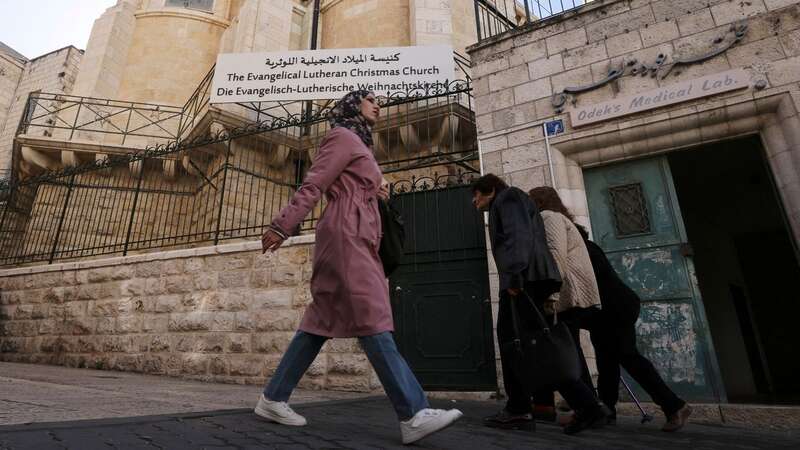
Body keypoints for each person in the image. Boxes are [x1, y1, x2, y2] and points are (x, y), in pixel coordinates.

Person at [257, 90, 462, 445]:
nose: (378, 105)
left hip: (356, 234)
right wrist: (282, 224)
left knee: (320, 321)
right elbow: (315, 183)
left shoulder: (360, 144)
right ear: (353, 106)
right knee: (372, 315)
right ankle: (413, 412)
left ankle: (273, 398)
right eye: (370, 100)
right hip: (346, 237)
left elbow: (351, 185)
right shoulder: (342, 137)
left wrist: (375, 193)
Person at [530, 187, 692, 432]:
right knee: (608, 360)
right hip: (606, 313)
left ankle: (673, 405)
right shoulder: (584, 244)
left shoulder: (577, 245)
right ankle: (607, 409)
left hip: (614, 309)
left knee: (626, 356)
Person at [472, 174, 607, 435]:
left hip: (523, 282)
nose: (473, 200)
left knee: (515, 343)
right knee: (535, 347)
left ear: (488, 189)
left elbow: (517, 237)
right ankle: (586, 406)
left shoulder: (508, 198)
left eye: (476, 194)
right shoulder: (513, 201)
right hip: (529, 281)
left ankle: (519, 410)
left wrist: (513, 278)